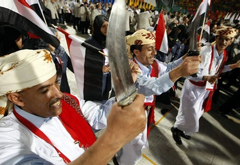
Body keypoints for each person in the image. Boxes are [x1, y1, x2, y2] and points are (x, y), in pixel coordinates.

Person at [0, 49, 146, 164]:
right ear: (17, 98)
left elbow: (100, 115)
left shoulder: (69, 101)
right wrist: (115, 138)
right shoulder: (8, 136)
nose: (58, 93)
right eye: (45, 90)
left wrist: (127, 84)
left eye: (56, 82)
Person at [116, 29, 201, 164]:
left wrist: (185, 58)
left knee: (137, 141)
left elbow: (168, 68)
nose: (155, 53)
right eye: (150, 49)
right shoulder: (130, 70)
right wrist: (179, 72)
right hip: (130, 113)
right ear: (136, 52)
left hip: (144, 110)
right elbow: (152, 86)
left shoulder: (153, 63)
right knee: (131, 142)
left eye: (154, 49)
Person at [171, 26, 240, 145]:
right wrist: (206, 77)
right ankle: (177, 128)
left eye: (227, 39)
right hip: (193, 86)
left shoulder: (223, 54)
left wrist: (235, 65)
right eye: (221, 38)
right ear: (216, 37)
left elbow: (218, 70)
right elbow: (191, 73)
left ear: (231, 41)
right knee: (190, 112)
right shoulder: (205, 51)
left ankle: (181, 129)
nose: (223, 42)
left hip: (206, 88)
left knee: (196, 113)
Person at [85, 15, 111, 101]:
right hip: (94, 80)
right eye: (103, 26)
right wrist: (100, 68)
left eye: (108, 26)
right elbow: (85, 62)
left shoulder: (110, 41)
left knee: (104, 100)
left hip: (107, 77)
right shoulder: (90, 42)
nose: (106, 29)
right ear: (97, 27)